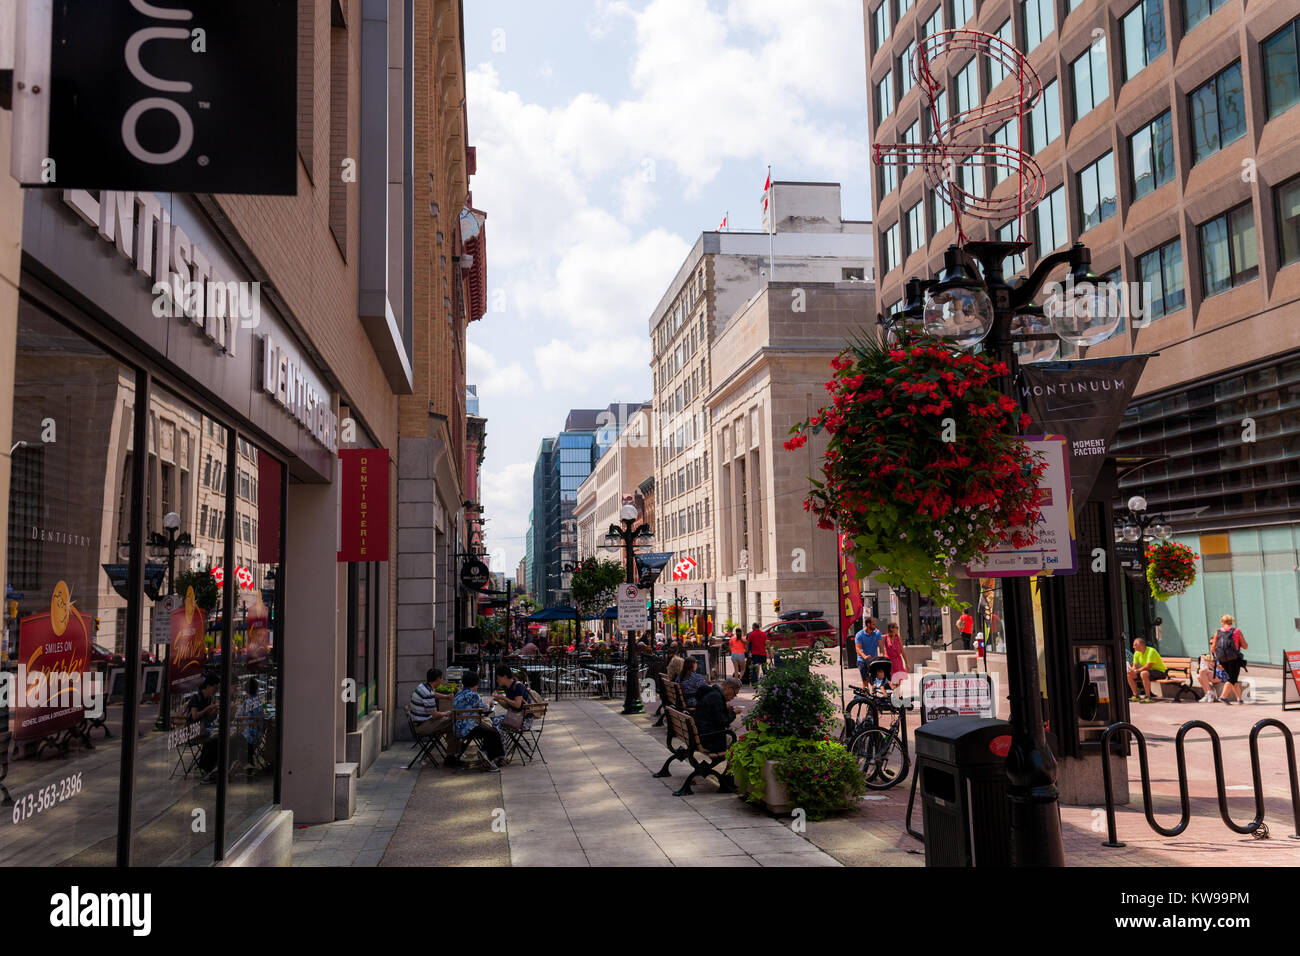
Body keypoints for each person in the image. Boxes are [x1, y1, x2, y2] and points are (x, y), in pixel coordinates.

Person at [451, 671, 507, 771]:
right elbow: (485, 708)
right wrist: (490, 704)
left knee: (490, 731)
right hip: (470, 728)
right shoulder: (473, 695)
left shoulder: (458, 694)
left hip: (458, 728)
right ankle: (491, 759)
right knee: (493, 732)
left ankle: (487, 754)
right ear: (476, 683)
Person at [187, 674, 221, 782]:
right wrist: (207, 709)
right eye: (215, 687)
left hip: (204, 729)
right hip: (193, 731)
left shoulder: (208, 699)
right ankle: (206, 768)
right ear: (208, 686)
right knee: (213, 740)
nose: (216, 690)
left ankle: (210, 768)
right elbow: (194, 716)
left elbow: (208, 719)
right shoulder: (196, 698)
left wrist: (214, 713)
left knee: (217, 738)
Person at [694, 678, 741, 754]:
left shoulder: (712, 693)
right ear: (729, 688)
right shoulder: (716, 698)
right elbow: (723, 722)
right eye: (734, 694)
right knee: (737, 744)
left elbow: (715, 716)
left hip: (702, 734)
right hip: (708, 740)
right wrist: (734, 713)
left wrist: (725, 709)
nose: (733, 697)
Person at [1211, 614, 1248, 704]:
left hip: (1222, 659)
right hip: (1234, 658)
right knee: (1232, 678)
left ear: (1222, 622)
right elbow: (1245, 646)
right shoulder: (1236, 631)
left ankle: (1239, 699)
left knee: (1233, 678)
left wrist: (1216, 658)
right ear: (1231, 621)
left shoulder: (1218, 632)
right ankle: (1223, 697)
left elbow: (1213, 648)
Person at [409, 667, 455, 740]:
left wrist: (446, 696)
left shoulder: (422, 687)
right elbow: (435, 715)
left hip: (418, 723)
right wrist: (447, 713)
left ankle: (453, 746)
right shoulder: (428, 694)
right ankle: (453, 748)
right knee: (454, 721)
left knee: (450, 721)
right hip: (423, 726)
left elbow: (433, 694)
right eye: (441, 678)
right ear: (438, 679)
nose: (441, 681)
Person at [491, 663, 533, 735]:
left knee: (496, 726)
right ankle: (499, 745)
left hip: (524, 720)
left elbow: (517, 705)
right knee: (491, 721)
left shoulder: (518, 686)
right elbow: (509, 706)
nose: (497, 681)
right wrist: (498, 699)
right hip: (514, 716)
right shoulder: (507, 687)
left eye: (498, 678)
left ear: (504, 676)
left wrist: (504, 698)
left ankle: (500, 746)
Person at [1126, 637, 1166, 703]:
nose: (1133, 647)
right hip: (1148, 672)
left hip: (1160, 672)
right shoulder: (1136, 653)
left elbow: (1148, 666)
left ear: (1141, 645)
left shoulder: (1151, 651)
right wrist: (1131, 670)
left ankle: (1148, 697)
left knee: (1143, 673)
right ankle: (1136, 696)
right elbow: (1134, 666)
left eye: (1135, 645)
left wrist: (1136, 671)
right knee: (1129, 675)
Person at [854, 617, 883, 685]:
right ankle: (866, 694)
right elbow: (858, 648)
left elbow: (881, 646)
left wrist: (882, 655)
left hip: (873, 660)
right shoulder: (859, 635)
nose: (875, 625)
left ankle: (873, 693)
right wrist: (865, 656)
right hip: (862, 661)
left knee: (875, 681)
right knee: (865, 681)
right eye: (873, 624)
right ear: (868, 624)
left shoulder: (877, 633)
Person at [880, 621, 909, 685]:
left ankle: (897, 693)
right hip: (889, 662)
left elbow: (902, 651)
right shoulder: (885, 637)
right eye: (896, 627)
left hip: (898, 661)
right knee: (891, 680)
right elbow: (876, 636)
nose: (897, 629)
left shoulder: (898, 638)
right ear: (891, 628)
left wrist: (906, 663)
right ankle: (893, 693)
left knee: (898, 681)